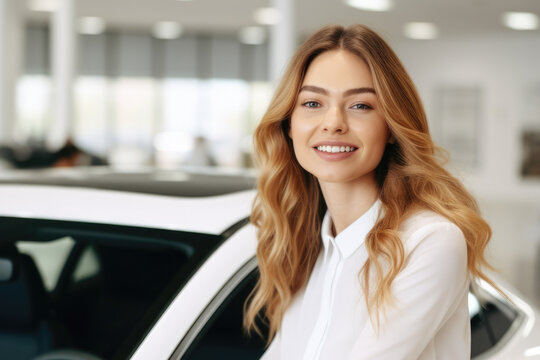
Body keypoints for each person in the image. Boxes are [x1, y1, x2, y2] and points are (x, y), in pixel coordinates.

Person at [244, 24, 499, 360]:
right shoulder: (311, 248)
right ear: (288, 124)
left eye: (360, 106)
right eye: (312, 103)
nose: (333, 122)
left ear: (391, 126)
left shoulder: (429, 241)